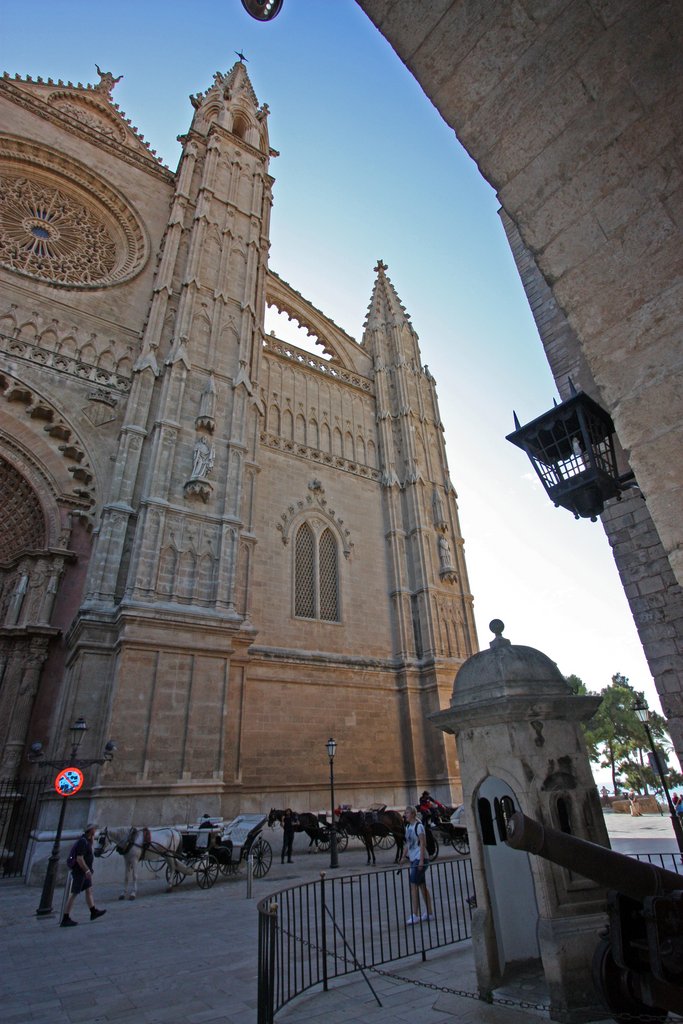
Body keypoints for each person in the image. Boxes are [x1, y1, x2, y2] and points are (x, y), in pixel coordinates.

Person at [61, 824, 107, 927]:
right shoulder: (83, 841)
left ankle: (93, 912)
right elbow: (79, 858)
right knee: (74, 894)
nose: (96, 830)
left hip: (85, 872)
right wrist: (86, 870)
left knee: (89, 890)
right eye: (94, 829)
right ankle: (65, 918)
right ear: (90, 830)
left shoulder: (87, 840)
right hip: (80, 872)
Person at [401, 805, 433, 925]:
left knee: (413, 885)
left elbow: (423, 843)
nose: (405, 815)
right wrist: (403, 857)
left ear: (413, 814)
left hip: (420, 859)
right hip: (413, 858)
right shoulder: (408, 827)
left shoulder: (419, 827)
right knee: (422, 886)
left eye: (407, 813)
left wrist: (421, 860)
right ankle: (429, 913)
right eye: (405, 813)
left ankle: (415, 915)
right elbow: (408, 844)